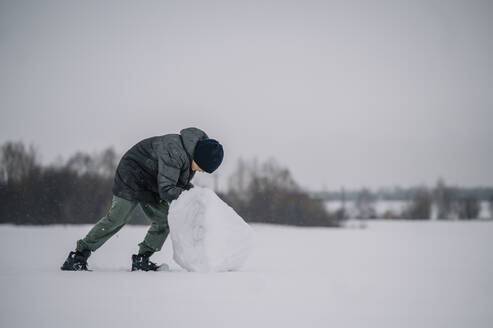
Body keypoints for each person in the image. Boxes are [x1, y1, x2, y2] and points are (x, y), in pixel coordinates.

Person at [60, 127, 223, 271]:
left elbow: (178, 184)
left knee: (165, 220)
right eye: (203, 168)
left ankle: (141, 259)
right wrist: (190, 195)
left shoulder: (190, 157)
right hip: (131, 173)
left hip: (152, 181)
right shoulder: (175, 152)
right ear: (199, 158)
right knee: (118, 217)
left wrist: (195, 196)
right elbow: (167, 190)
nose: (202, 172)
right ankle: (78, 255)